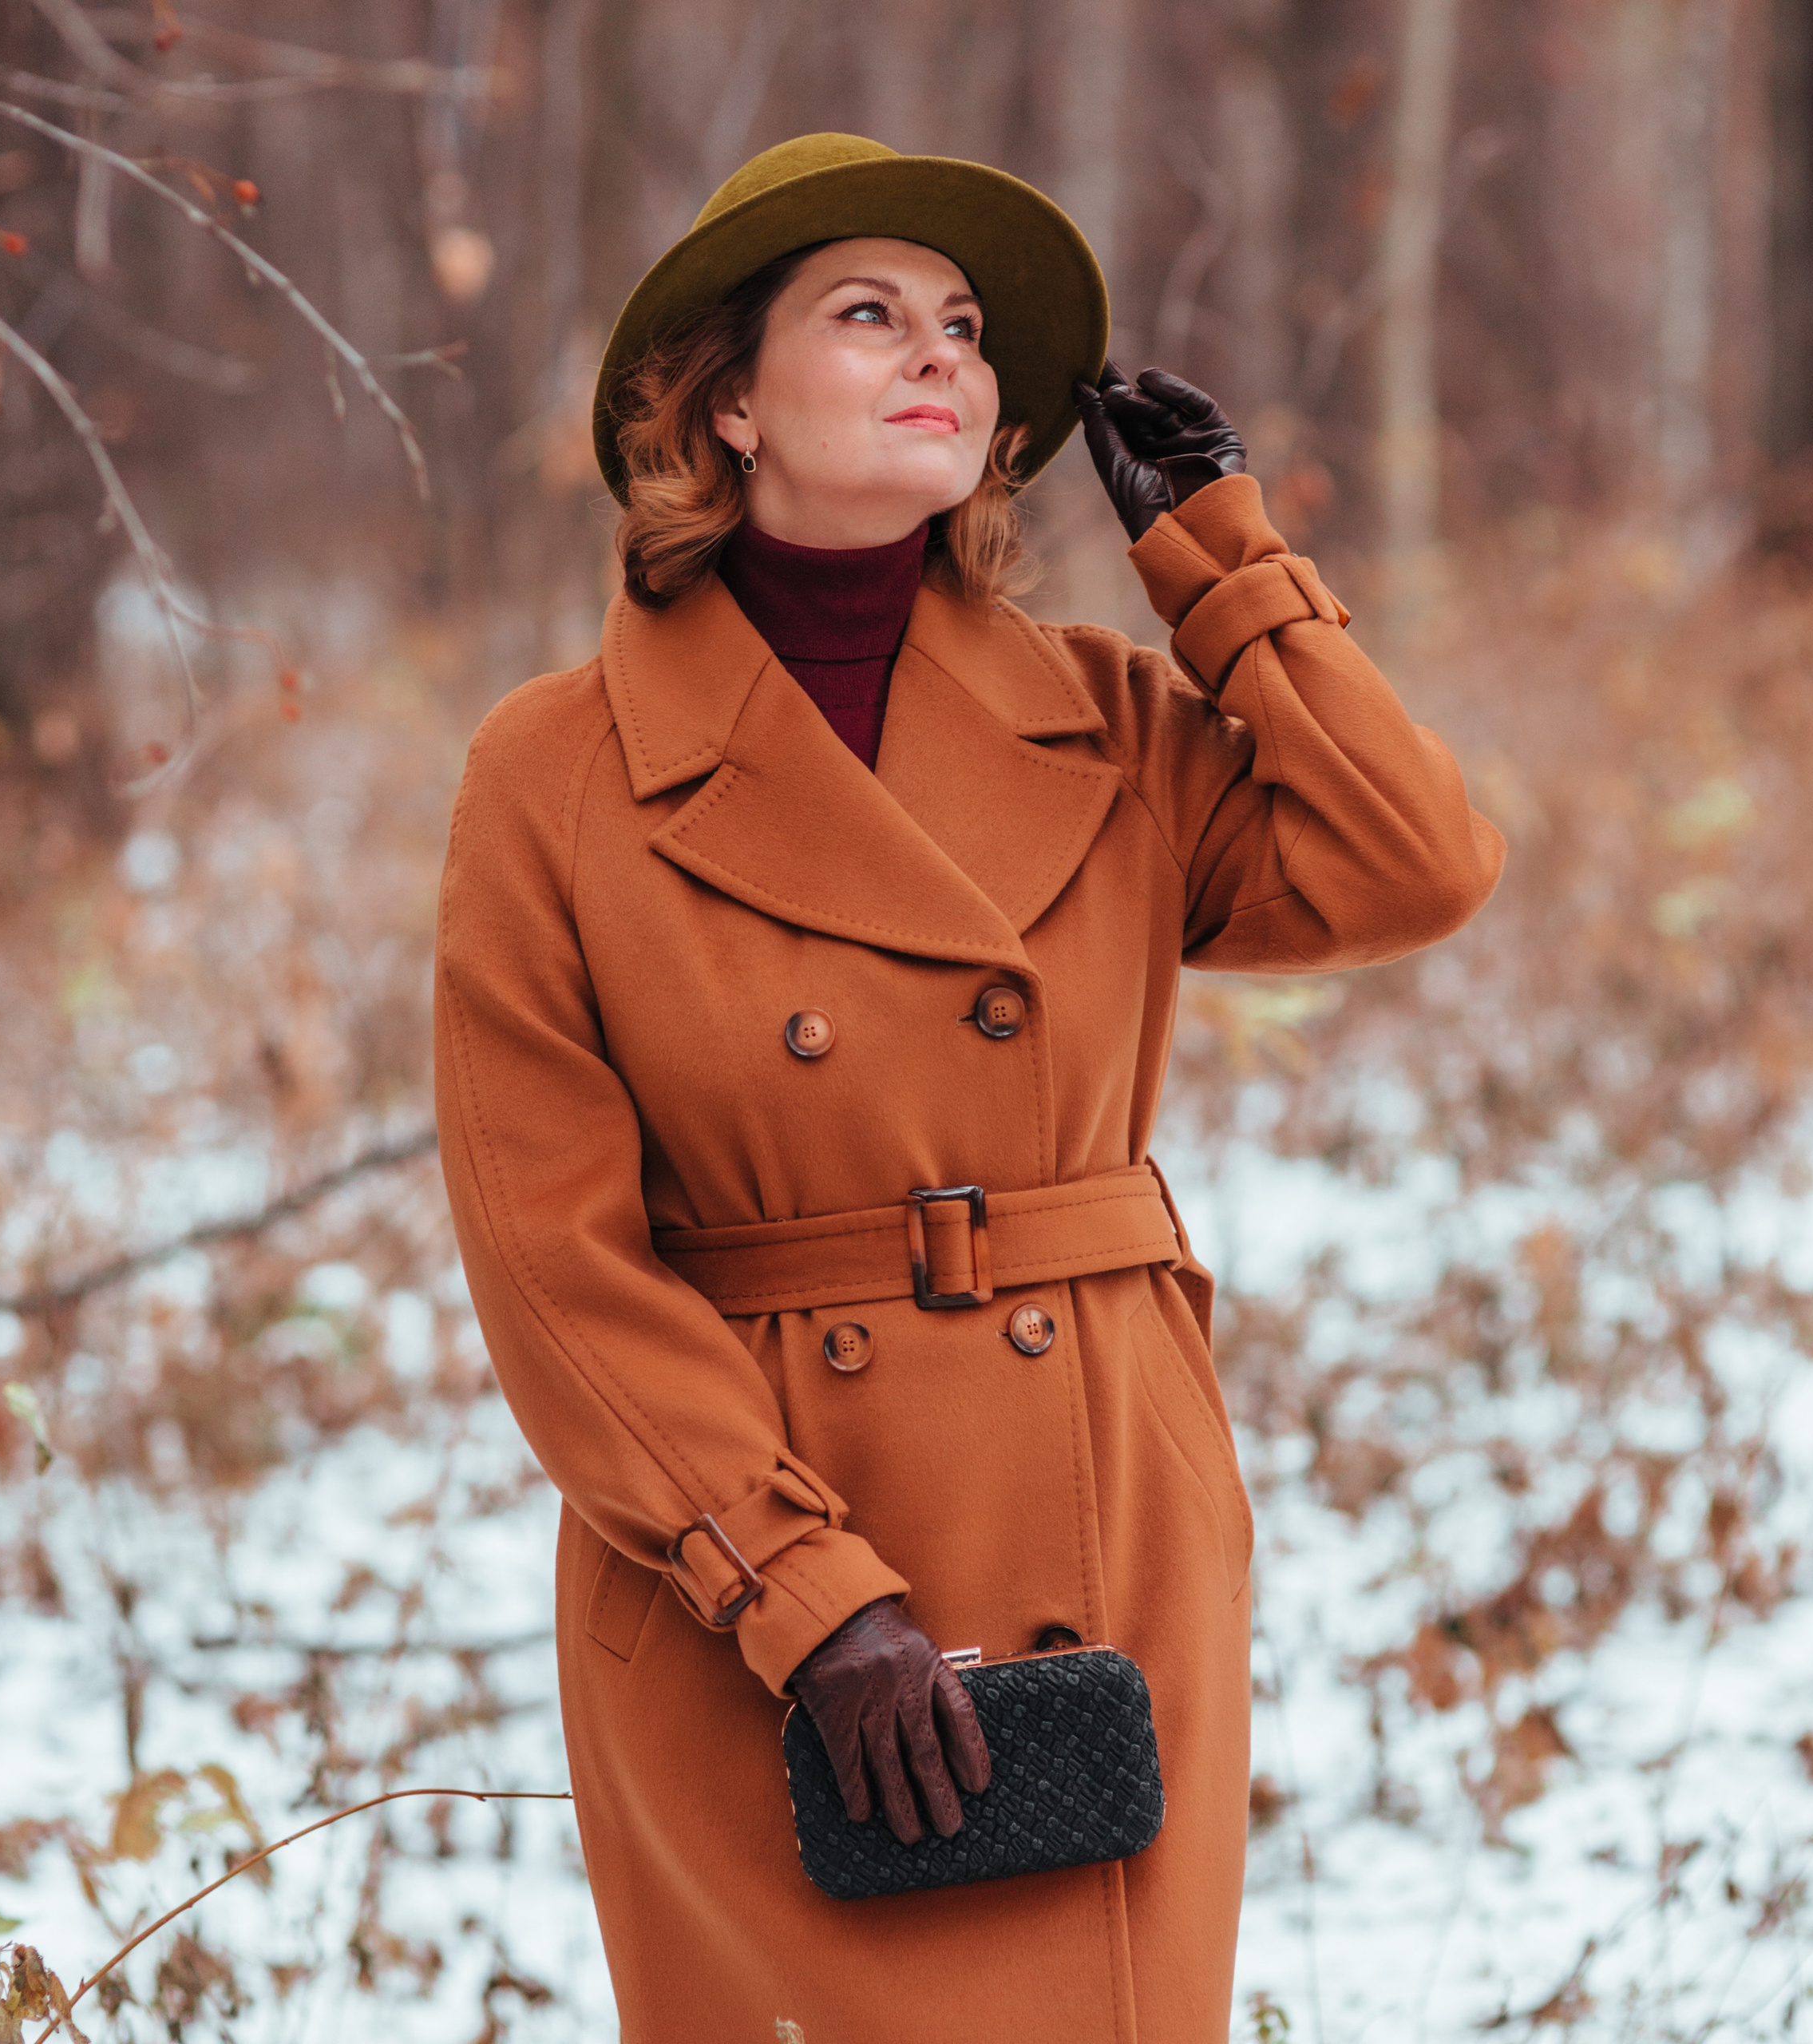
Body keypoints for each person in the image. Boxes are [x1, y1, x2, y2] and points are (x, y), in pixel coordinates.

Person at [433, 133, 1502, 2044]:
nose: (939, 350)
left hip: (1099, 1518)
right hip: (751, 1562)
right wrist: (800, 1589)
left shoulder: (1101, 717)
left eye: (960, 327)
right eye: (868, 315)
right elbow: (551, 1264)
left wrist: (1223, 559)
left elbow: (1410, 862)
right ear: (728, 401)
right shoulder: (558, 771)